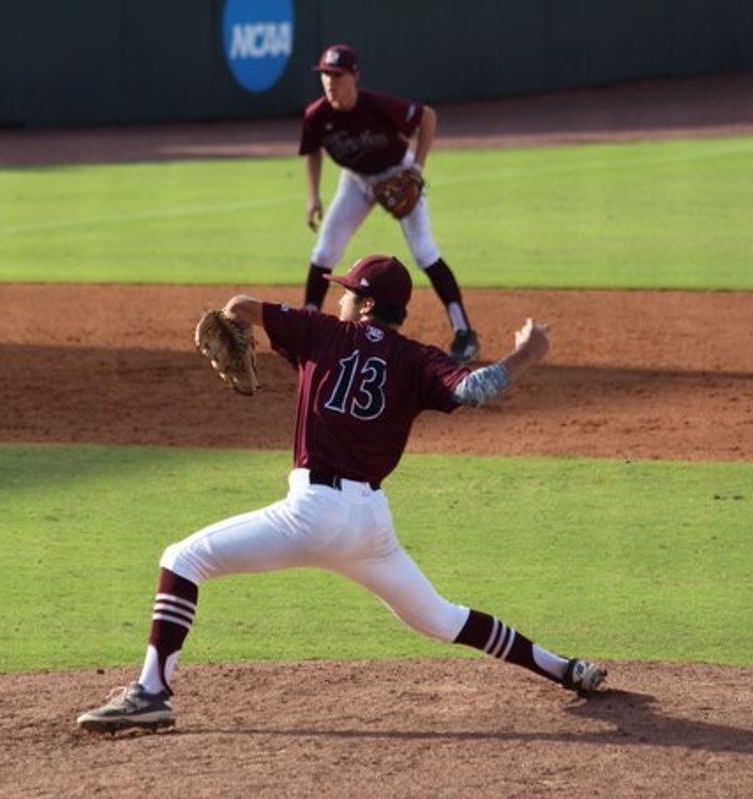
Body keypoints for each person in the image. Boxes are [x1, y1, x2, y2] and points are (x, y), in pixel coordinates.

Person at [76, 254, 607, 735]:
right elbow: (473, 390)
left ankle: (152, 693)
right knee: (441, 619)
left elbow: (239, 305)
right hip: (370, 527)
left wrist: (243, 324)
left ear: (367, 304)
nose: (340, 298)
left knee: (182, 559)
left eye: (347, 291)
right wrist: (526, 355)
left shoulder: (321, 332)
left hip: (311, 515)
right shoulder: (416, 358)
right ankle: (566, 669)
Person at [299, 43, 480, 364]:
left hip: (397, 172)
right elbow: (312, 151)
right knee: (325, 251)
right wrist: (313, 195)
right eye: (325, 74)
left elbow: (428, 117)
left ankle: (464, 332)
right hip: (356, 180)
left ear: (355, 76)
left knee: (424, 251)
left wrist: (416, 169)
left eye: (337, 74)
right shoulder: (317, 115)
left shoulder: (376, 105)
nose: (330, 81)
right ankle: (306, 326)